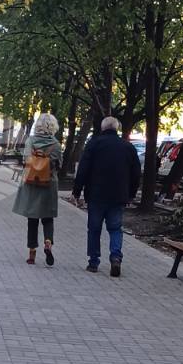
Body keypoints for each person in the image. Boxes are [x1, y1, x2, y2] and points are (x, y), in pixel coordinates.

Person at [74, 116, 142, 276]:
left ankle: (93, 262)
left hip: (96, 194)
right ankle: (116, 257)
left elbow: (83, 168)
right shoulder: (127, 147)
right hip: (118, 195)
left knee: (94, 229)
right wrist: (131, 194)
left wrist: (77, 190)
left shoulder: (94, 144)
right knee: (115, 228)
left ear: (102, 128)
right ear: (117, 128)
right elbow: (136, 173)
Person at [12, 112, 63, 265]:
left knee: (32, 219)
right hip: (49, 184)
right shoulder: (56, 144)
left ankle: (32, 253)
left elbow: (26, 160)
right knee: (48, 218)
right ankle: (48, 241)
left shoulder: (31, 141)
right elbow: (59, 165)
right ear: (53, 127)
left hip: (32, 183)